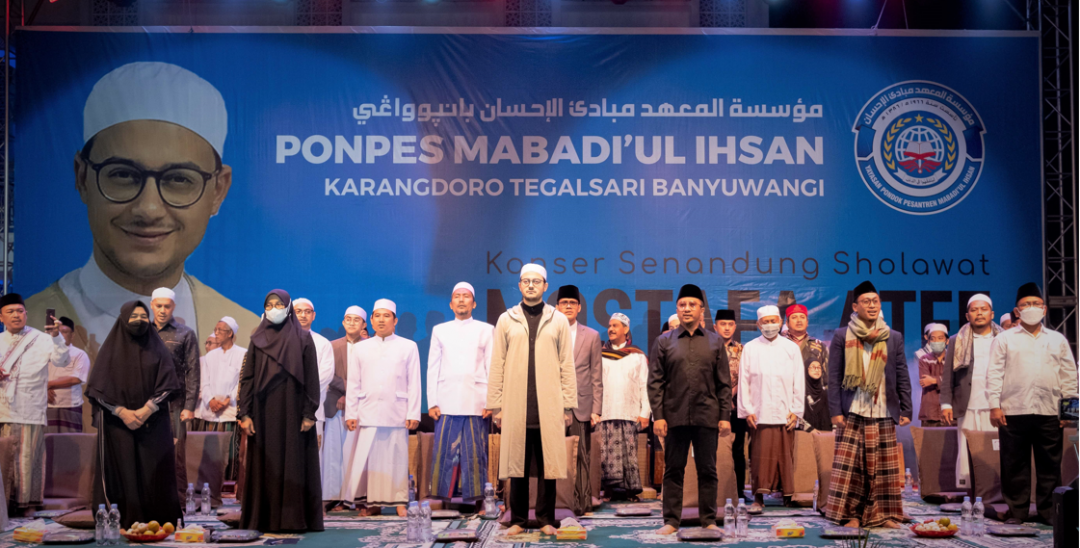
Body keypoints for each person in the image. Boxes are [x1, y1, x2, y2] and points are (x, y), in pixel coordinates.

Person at [26, 62, 258, 363]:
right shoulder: (23, 328)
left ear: (218, 191)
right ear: (82, 178)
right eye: (123, 175)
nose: (148, 209)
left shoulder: (250, 337)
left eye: (178, 179)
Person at [486, 264, 576, 536]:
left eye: (537, 281)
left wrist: (568, 405)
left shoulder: (557, 319)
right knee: (518, 466)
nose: (531, 286)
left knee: (548, 466)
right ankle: (519, 520)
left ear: (545, 286)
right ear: (520, 285)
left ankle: (546, 519)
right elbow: (497, 363)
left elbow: (566, 365)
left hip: (548, 405)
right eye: (526, 281)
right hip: (516, 405)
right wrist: (497, 405)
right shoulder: (507, 318)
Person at [987, 283, 1078, 525]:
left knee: (1050, 464)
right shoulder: (1005, 339)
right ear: (1017, 311)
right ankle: (1017, 511)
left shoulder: (1057, 340)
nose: (1031, 308)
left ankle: (1049, 512)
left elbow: (1070, 375)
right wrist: (994, 406)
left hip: (1050, 411)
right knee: (1014, 463)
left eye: (1036, 304)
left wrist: (1070, 411)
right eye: (1026, 305)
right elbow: (994, 373)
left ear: (1045, 309)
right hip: (1012, 410)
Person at [824, 280, 912, 529]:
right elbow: (834, 376)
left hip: (884, 409)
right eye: (866, 301)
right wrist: (835, 412)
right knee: (851, 467)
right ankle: (850, 515)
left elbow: (902, 373)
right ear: (855, 306)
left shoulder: (893, 337)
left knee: (884, 468)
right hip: (853, 410)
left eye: (875, 301)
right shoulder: (842, 336)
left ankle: (882, 515)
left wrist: (906, 408)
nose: (872, 305)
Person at [86, 300, 181, 528]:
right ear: (123, 320)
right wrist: (122, 412)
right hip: (118, 425)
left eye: (142, 317)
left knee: (153, 473)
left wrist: (146, 409)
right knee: (123, 472)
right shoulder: (109, 350)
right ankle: (122, 518)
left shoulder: (157, 348)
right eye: (133, 317)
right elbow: (97, 390)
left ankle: (157, 519)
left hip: (153, 423)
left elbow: (169, 384)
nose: (138, 321)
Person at [648, 284, 732, 535]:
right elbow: (655, 382)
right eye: (682, 304)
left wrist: (725, 417)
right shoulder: (664, 341)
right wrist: (659, 416)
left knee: (708, 470)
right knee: (674, 469)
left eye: (691, 305)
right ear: (677, 308)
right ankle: (671, 521)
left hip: (707, 416)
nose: (686, 309)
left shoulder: (716, 342)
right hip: (674, 417)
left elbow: (724, 384)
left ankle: (708, 519)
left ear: (701, 310)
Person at [238, 290, 323, 532]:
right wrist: (245, 413)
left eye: (278, 304)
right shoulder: (257, 338)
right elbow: (248, 378)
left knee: (292, 463)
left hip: (293, 413)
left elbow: (312, 379)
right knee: (265, 464)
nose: (273, 308)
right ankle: (262, 519)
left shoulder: (303, 339)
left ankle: (292, 520)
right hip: (263, 413)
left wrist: (309, 413)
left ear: (287, 308)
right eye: (269, 304)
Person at [341, 299, 421, 517]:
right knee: (370, 460)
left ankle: (399, 502)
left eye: (387, 316)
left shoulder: (408, 346)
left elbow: (414, 382)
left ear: (395, 320)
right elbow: (354, 382)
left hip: (397, 410)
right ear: (371, 321)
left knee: (396, 458)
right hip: (367, 410)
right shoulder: (360, 348)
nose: (381, 320)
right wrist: (351, 413)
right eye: (377, 316)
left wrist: (414, 412)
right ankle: (372, 503)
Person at [0, 294, 70, 511]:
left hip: (29, 409)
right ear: (1, 317)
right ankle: (3, 508)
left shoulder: (42, 339)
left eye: (20, 311)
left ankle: (26, 506)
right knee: (4, 460)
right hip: (2, 410)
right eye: (10, 312)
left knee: (27, 459)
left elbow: (62, 360)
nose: (16, 315)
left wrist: (57, 337)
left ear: (26, 314)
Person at [427, 283, 494, 507]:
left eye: (466, 297)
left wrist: (491, 401)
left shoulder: (486, 329)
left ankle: (476, 499)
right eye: (457, 297)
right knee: (444, 450)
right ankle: (440, 498)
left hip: (477, 400)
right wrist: (432, 401)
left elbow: (491, 366)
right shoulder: (440, 330)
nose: (462, 300)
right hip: (446, 400)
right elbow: (432, 367)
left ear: (474, 303)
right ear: (451, 304)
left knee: (475, 452)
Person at [739, 305, 804, 513]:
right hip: (760, 412)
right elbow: (744, 381)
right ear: (758, 324)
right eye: (765, 322)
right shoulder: (750, 347)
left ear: (781, 322)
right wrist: (747, 410)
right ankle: (758, 497)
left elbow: (798, 381)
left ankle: (787, 495)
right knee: (759, 456)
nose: (769, 325)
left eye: (773, 321)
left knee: (785, 456)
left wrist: (797, 410)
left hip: (786, 412)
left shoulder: (791, 348)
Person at [941, 294, 1002, 489]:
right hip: (967, 404)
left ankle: (995, 487)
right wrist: (946, 403)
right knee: (966, 449)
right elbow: (948, 375)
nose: (979, 313)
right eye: (974, 310)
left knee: (995, 448)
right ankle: (970, 490)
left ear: (992, 314)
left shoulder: (1003, 339)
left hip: (996, 406)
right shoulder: (956, 340)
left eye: (983, 309)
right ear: (967, 315)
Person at [555, 284, 602, 514]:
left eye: (572, 303)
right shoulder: (548, 332)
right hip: (553, 405)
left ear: (579, 307)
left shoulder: (591, 336)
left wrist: (597, 408)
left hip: (581, 405)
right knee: (555, 457)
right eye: (564, 303)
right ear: (557, 307)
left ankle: (582, 503)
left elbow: (596, 375)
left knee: (581, 456)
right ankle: (557, 503)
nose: (568, 306)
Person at [150, 286, 198, 501]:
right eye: (158, 306)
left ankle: (178, 501)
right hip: (145, 404)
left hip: (175, 405)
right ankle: (149, 498)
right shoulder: (143, 332)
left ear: (173, 307)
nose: (162, 310)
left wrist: (189, 406)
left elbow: (193, 371)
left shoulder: (185, 333)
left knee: (176, 455)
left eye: (166, 306)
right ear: (152, 305)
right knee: (148, 452)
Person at [598, 312, 649, 501]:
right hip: (606, 411)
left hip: (629, 412)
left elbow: (645, 385)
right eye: (609, 326)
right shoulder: (600, 355)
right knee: (606, 454)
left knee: (628, 454)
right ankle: (609, 491)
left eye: (615, 326)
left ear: (626, 329)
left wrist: (645, 414)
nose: (610, 329)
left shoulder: (636, 355)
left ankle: (630, 492)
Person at [291, 298, 336, 499]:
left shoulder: (322, 343)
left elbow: (325, 374)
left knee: (313, 454)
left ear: (314, 315)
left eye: (307, 311)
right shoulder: (283, 340)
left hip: (312, 408)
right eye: (298, 311)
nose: (302, 315)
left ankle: (311, 500)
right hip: (286, 406)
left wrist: (299, 389)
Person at [192, 317, 245, 483]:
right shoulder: (210, 356)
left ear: (230, 333)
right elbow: (204, 381)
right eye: (215, 329)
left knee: (229, 453)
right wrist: (211, 400)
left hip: (230, 410)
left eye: (220, 330)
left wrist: (228, 400)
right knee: (209, 452)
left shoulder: (243, 354)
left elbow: (242, 382)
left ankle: (228, 486)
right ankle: (209, 486)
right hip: (210, 410)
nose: (216, 333)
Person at [324, 306, 366, 511]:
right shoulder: (331, 346)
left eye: (356, 320)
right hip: (335, 405)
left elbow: (373, 376)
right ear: (343, 322)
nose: (351, 323)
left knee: (355, 453)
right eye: (348, 319)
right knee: (333, 452)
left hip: (360, 406)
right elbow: (327, 373)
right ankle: (334, 497)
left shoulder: (371, 346)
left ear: (364, 324)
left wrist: (350, 395)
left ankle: (356, 497)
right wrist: (345, 392)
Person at [713, 309, 747, 499]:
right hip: (714, 406)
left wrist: (731, 395)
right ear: (715, 327)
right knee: (714, 448)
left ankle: (739, 491)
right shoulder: (708, 347)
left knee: (738, 450)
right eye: (722, 324)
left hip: (736, 405)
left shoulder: (743, 350)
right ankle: (716, 491)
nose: (726, 328)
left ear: (735, 326)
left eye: (730, 324)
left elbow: (747, 377)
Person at [783, 304, 830, 432]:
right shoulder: (779, 345)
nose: (799, 320)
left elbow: (827, 379)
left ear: (807, 322)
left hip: (812, 403)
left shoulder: (819, 346)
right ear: (787, 322)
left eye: (802, 317)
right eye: (794, 317)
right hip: (785, 402)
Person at [47, 317, 91, 433]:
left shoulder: (79, 354)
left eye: (65, 332)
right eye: (58, 332)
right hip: (47, 405)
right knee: (47, 444)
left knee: (71, 444)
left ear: (72, 336)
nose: (61, 335)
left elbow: (76, 379)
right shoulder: (45, 353)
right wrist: (43, 388)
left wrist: (48, 384)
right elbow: (37, 376)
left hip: (70, 405)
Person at [917, 324, 949, 426]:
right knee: (929, 441)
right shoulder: (924, 359)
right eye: (933, 339)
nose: (936, 342)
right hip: (929, 411)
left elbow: (955, 381)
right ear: (929, 342)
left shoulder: (953, 359)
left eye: (940, 338)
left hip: (949, 411)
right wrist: (944, 380)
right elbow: (925, 381)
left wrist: (934, 380)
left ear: (947, 341)